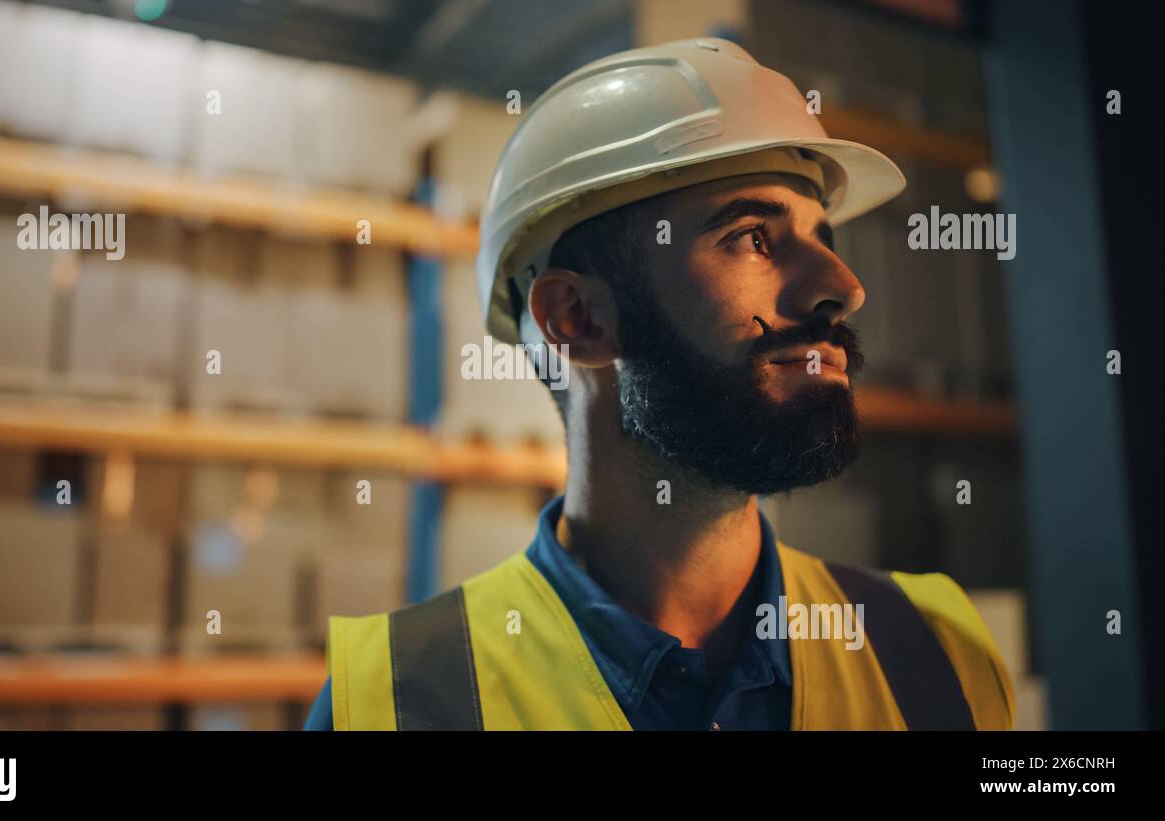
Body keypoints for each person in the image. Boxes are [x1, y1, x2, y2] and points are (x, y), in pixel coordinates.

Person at [304, 37, 1014, 731]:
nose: (844, 287)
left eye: (822, 238)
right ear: (577, 318)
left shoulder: (933, 650)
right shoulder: (394, 704)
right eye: (752, 238)